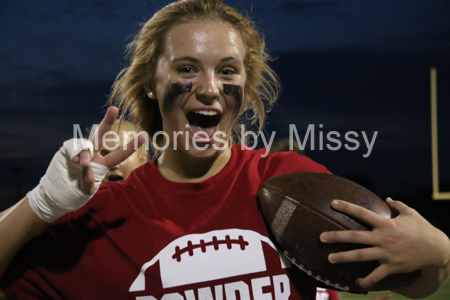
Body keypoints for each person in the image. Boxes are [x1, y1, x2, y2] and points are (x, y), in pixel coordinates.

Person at [0, 0, 449, 299]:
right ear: (152, 86)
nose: (210, 89)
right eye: (187, 68)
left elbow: (416, 281)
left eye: (228, 71)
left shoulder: (291, 181)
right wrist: (39, 204)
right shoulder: (104, 218)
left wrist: (437, 252)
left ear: (245, 88)